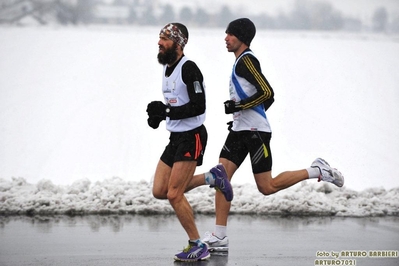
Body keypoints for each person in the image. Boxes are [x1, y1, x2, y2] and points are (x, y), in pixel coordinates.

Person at [193, 18, 345, 252]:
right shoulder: (238, 63)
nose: (225, 38)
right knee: (221, 179)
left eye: (230, 34)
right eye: (225, 34)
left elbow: (267, 92)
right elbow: (267, 99)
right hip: (240, 130)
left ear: (242, 37)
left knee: (267, 187)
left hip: (256, 134)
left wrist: (242, 109)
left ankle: (317, 170)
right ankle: (219, 236)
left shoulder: (247, 61)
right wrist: (242, 116)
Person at [146, 22, 234, 262]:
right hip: (176, 137)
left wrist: (166, 112)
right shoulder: (167, 68)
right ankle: (212, 178)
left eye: (164, 38)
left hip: (193, 136)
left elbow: (198, 106)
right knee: (160, 191)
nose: (159, 42)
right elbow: (175, 104)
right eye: (160, 37)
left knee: (174, 194)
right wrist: (158, 115)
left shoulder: (189, 68)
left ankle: (198, 245)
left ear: (178, 43)